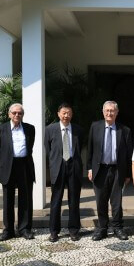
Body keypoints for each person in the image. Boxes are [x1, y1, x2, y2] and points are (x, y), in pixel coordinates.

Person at [87, 101, 133, 241]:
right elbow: (90, 150)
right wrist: (89, 168)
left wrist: (128, 174)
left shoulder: (125, 130)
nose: (109, 113)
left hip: (117, 170)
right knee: (101, 200)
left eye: (112, 111)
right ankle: (102, 229)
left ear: (117, 112)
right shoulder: (95, 127)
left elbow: (129, 155)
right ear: (103, 111)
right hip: (99, 169)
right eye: (107, 110)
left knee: (116, 201)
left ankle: (118, 228)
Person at [0, 103, 36, 241]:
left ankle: (24, 228)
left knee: (26, 199)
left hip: (24, 165)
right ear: (9, 114)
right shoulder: (1, 129)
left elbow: (30, 147)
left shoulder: (30, 128)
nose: (17, 115)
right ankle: (8, 230)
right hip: (8, 166)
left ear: (23, 115)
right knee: (8, 199)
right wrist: (6, 161)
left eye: (20, 113)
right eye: (14, 113)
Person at [45, 103, 83, 242]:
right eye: (63, 113)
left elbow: (80, 147)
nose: (66, 115)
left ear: (71, 115)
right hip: (58, 167)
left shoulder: (78, 129)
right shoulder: (50, 129)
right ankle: (54, 231)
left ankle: (74, 230)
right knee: (56, 201)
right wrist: (55, 162)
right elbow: (48, 149)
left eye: (68, 113)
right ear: (58, 114)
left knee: (74, 201)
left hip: (74, 166)